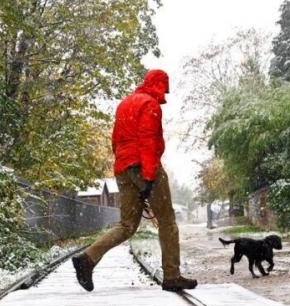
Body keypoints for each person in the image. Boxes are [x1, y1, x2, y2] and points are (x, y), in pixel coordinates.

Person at [72, 69, 198, 293]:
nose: (164, 96)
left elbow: (115, 141)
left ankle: (87, 259)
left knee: (127, 225)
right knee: (167, 221)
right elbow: (148, 140)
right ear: (159, 85)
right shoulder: (150, 105)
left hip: (123, 167)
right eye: (164, 89)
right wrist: (148, 177)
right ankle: (172, 276)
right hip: (143, 165)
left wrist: (126, 168)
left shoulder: (125, 104)